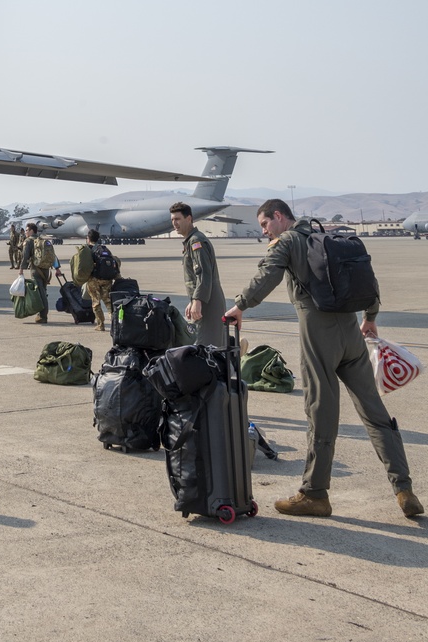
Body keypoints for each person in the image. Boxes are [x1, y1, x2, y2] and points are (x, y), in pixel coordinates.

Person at [224, 199, 423, 520]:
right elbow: (367, 277)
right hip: (351, 333)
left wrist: (239, 306)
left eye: (264, 224)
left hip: (319, 334)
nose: (263, 232)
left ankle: (315, 494)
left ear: (279, 217)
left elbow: (267, 274)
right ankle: (403, 488)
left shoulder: (288, 240)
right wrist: (370, 317)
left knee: (321, 413)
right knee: (375, 413)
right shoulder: (325, 235)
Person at [170, 202, 226, 346]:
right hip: (204, 299)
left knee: (207, 346)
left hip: (208, 301)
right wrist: (193, 300)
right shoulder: (191, 241)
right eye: (172, 220)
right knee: (207, 345)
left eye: (177, 219)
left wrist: (197, 300)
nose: (174, 223)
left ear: (189, 219)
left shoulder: (196, 241)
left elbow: (203, 274)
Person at [73, 228, 117, 331]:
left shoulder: (88, 250)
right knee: (108, 301)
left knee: (96, 302)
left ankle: (100, 325)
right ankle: (115, 323)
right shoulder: (105, 249)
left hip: (94, 280)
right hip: (107, 279)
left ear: (88, 239)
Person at [20, 222, 52, 323]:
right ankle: (41, 314)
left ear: (31, 231)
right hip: (46, 270)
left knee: (39, 293)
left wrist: (21, 269)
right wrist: (57, 268)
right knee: (43, 291)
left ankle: (43, 316)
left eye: (26, 230)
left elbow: (25, 256)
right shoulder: (42, 240)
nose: (25, 232)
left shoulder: (28, 241)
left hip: (36, 270)